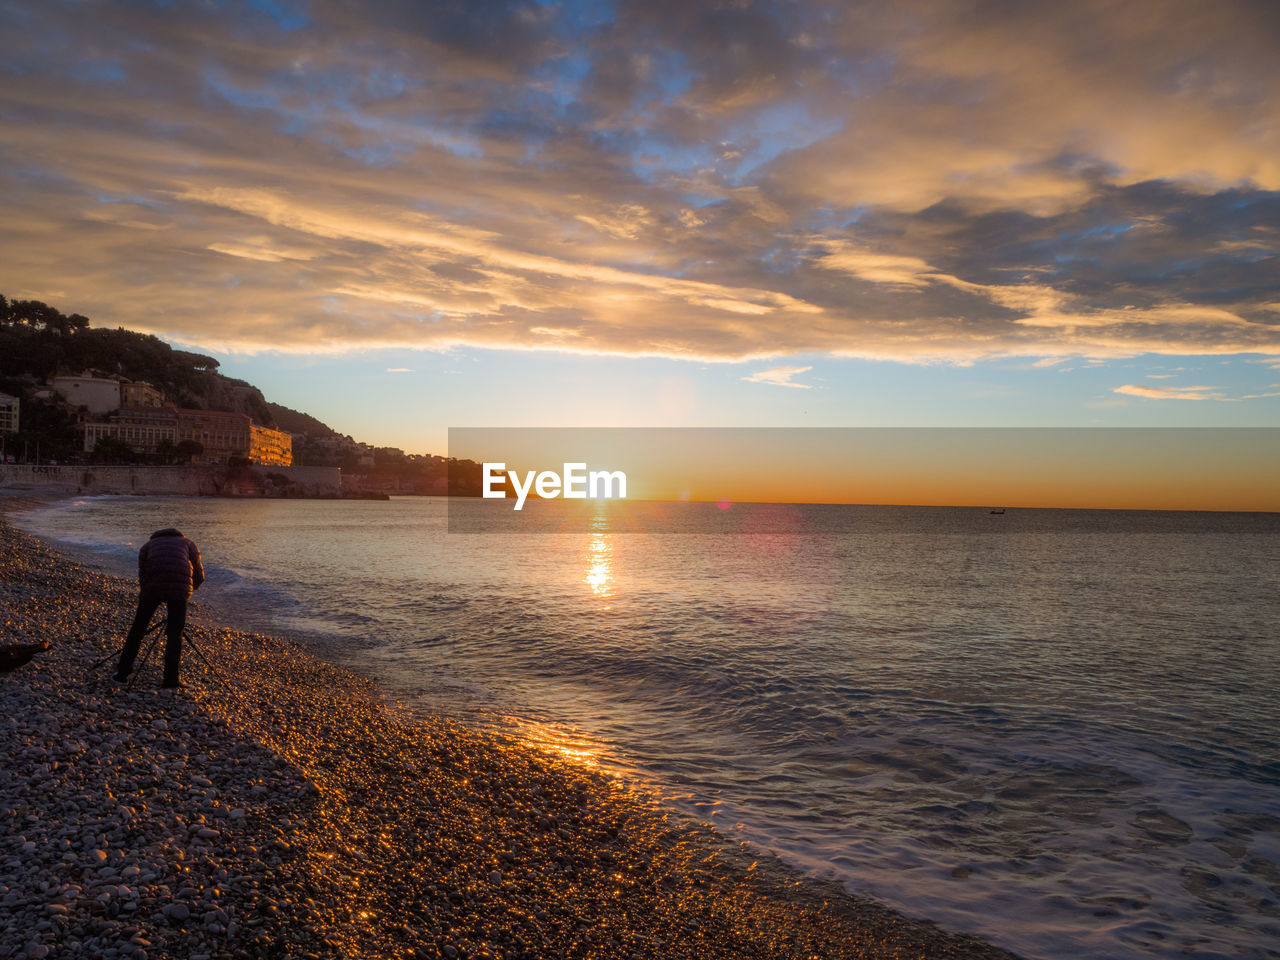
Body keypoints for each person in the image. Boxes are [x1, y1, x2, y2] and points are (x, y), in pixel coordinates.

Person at [115, 527, 204, 688]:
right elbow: (199, 574)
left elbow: (142, 573)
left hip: (152, 587)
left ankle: (122, 673)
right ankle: (171, 680)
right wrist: (190, 588)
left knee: (138, 629)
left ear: (155, 536)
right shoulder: (189, 543)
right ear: (179, 535)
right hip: (179, 590)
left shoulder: (147, 546)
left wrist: (146, 593)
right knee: (175, 634)